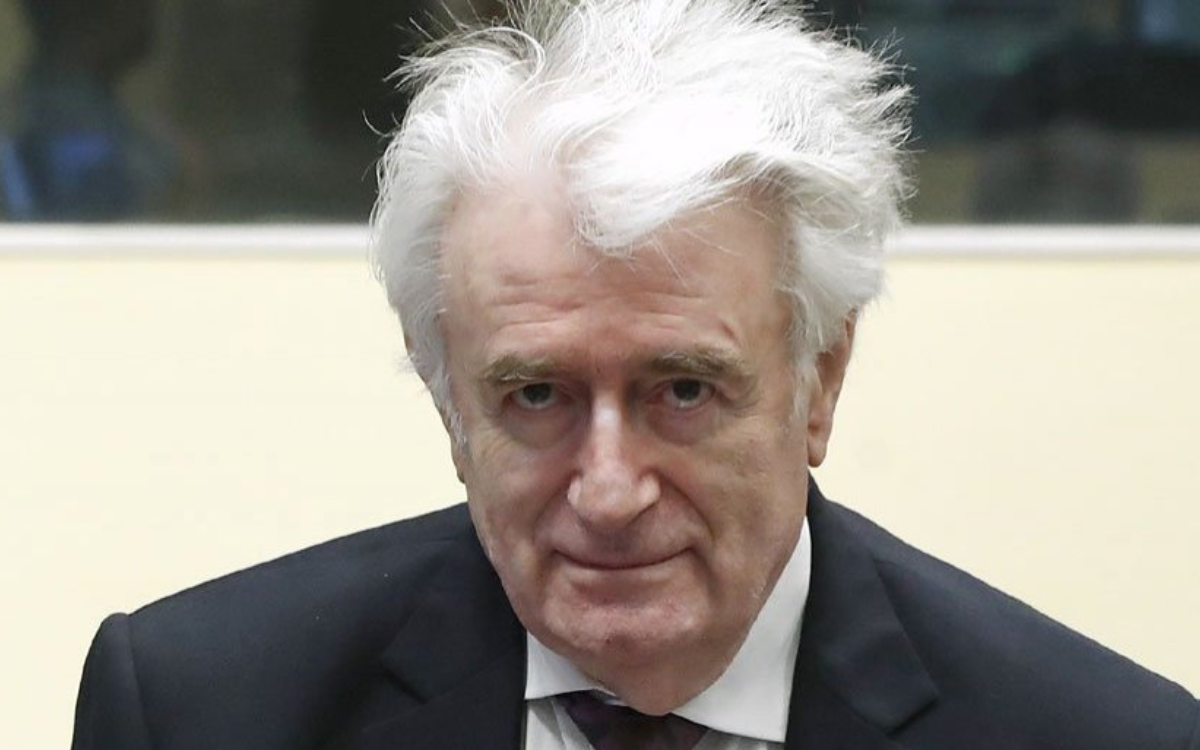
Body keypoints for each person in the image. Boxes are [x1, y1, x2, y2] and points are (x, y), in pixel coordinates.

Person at [71, 1, 1199, 748]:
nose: (609, 491)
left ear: (820, 377)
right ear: (449, 402)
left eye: (683, 390)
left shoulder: (1097, 736)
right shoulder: (197, 713)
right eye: (537, 395)